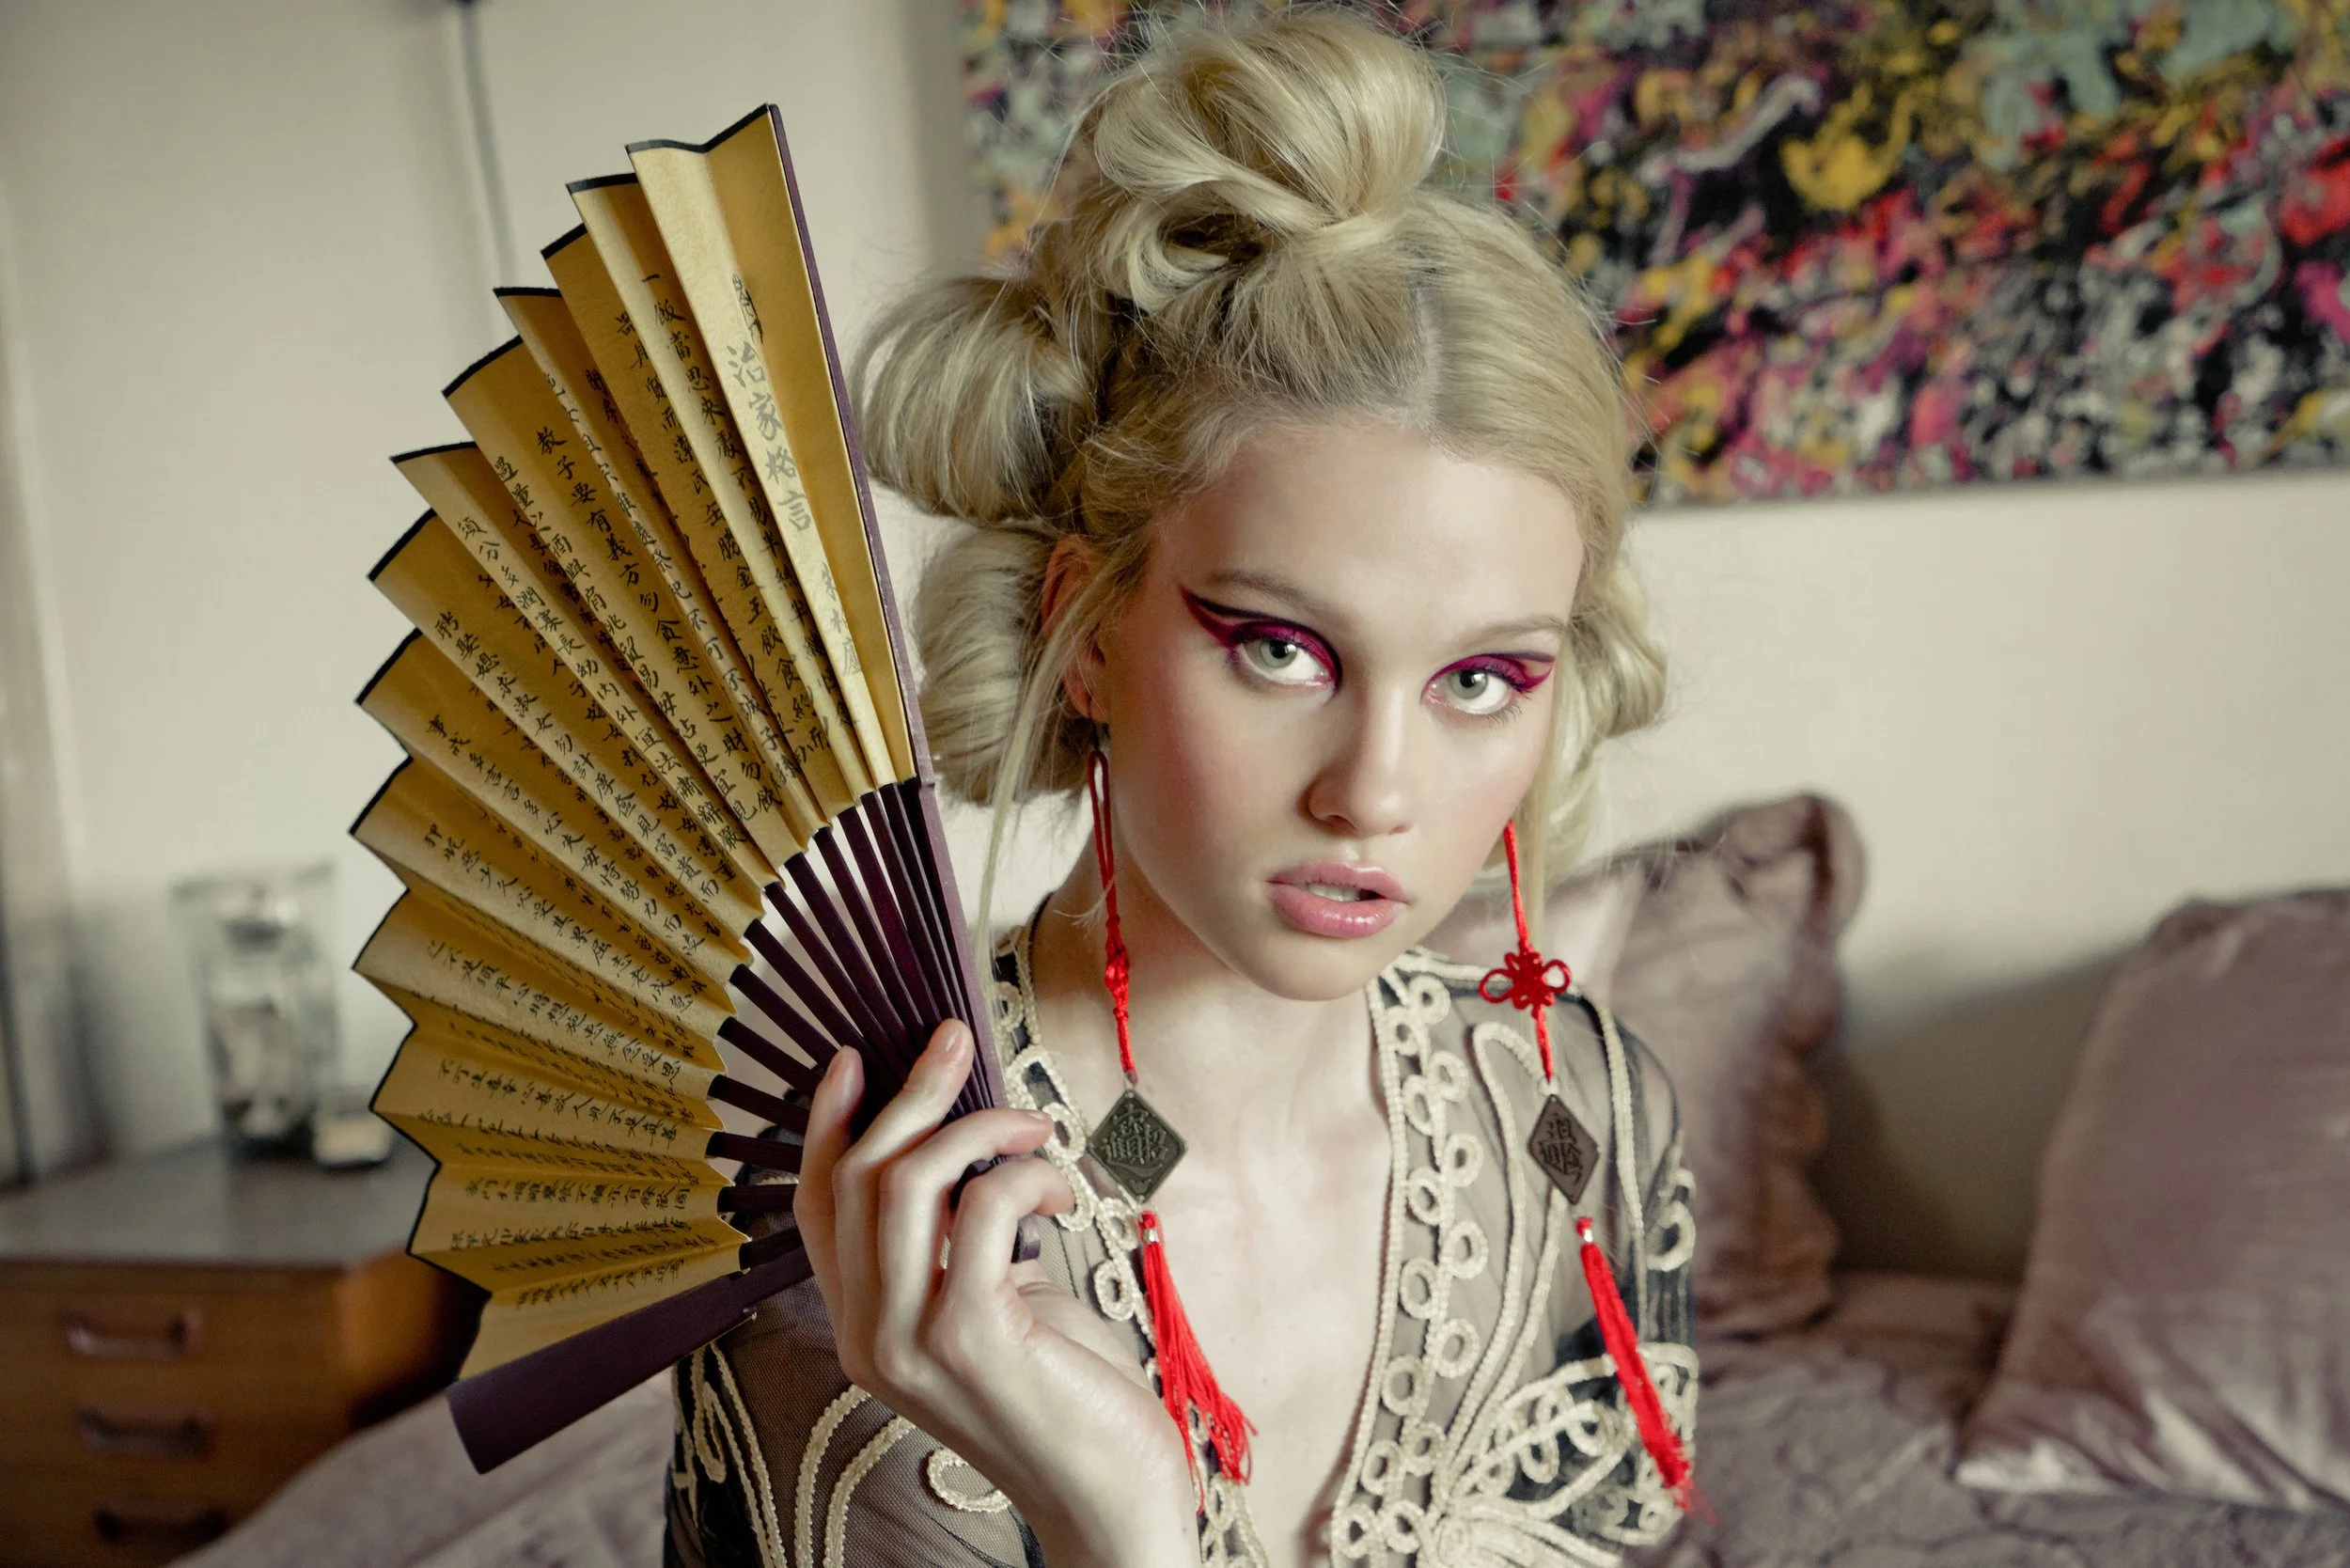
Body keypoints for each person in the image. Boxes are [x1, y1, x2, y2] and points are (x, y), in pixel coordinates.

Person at [666, 11, 1688, 1566]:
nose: (1374, 791)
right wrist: (1115, 1532)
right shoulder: (870, 1212)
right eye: (1280, 650)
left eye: (1483, 679)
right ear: (1086, 632)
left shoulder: (1582, 1113)